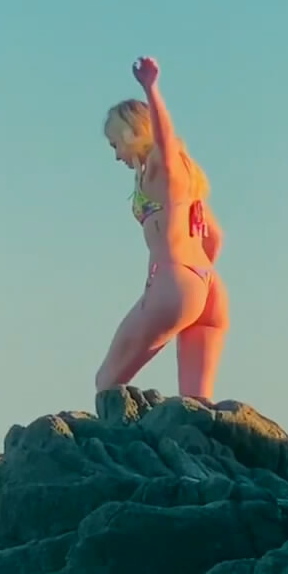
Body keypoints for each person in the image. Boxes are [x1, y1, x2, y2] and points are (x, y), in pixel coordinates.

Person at [95, 56, 229, 402]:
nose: (116, 156)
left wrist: (151, 88)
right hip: (207, 286)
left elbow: (165, 140)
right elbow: (215, 238)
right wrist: (194, 277)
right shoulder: (189, 178)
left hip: (174, 284)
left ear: (131, 134)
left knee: (106, 382)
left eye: (115, 145)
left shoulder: (160, 166)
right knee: (196, 405)